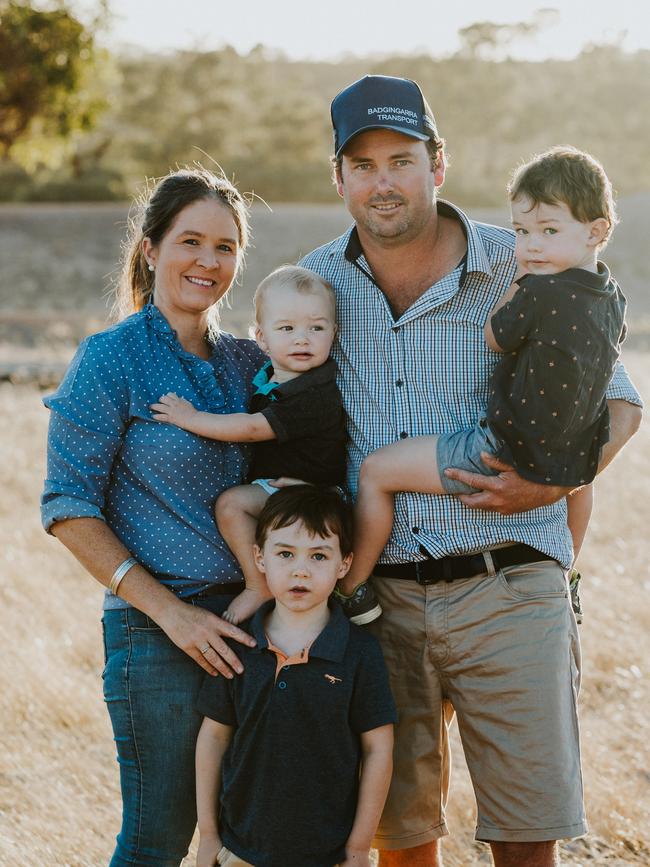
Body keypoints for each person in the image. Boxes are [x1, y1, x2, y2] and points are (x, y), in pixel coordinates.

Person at [299, 74, 642, 867]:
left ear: (437, 165)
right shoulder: (318, 282)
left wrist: (550, 486)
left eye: (402, 159)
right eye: (364, 164)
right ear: (340, 177)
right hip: (376, 603)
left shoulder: (523, 259)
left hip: (509, 586)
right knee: (401, 831)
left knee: (526, 834)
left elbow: (621, 406)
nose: (384, 180)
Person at [41, 167, 267, 867]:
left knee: (249, 835)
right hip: (157, 635)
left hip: (258, 627)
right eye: (190, 241)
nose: (208, 261)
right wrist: (171, 613)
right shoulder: (111, 359)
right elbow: (68, 505)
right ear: (150, 249)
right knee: (159, 836)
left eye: (225, 247)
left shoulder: (251, 364)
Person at [337, 145, 626, 600]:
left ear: (596, 232)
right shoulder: (610, 297)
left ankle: (351, 586)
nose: (530, 246)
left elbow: (494, 336)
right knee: (579, 489)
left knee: (377, 472)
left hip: (502, 445)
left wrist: (518, 282)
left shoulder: (538, 291)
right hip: (575, 450)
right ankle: (565, 573)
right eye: (521, 231)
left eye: (548, 230)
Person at [194, 485, 396, 867]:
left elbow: (378, 750)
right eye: (285, 553)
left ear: (344, 564)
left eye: (319, 555)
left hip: (329, 854)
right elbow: (214, 738)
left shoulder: (359, 652)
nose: (300, 569)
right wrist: (208, 836)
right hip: (240, 849)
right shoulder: (238, 644)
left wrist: (357, 849)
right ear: (260, 558)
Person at [149, 264, 357, 627]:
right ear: (262, 338)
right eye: (287, 329)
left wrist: (189, 418)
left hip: (315, 491)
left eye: (317, 328)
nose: (302, 339)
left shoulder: (315, 393)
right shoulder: (268, 376)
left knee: (232, 505)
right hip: (289, 486)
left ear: (333, 333)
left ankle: (258, 584)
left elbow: (249, 429)